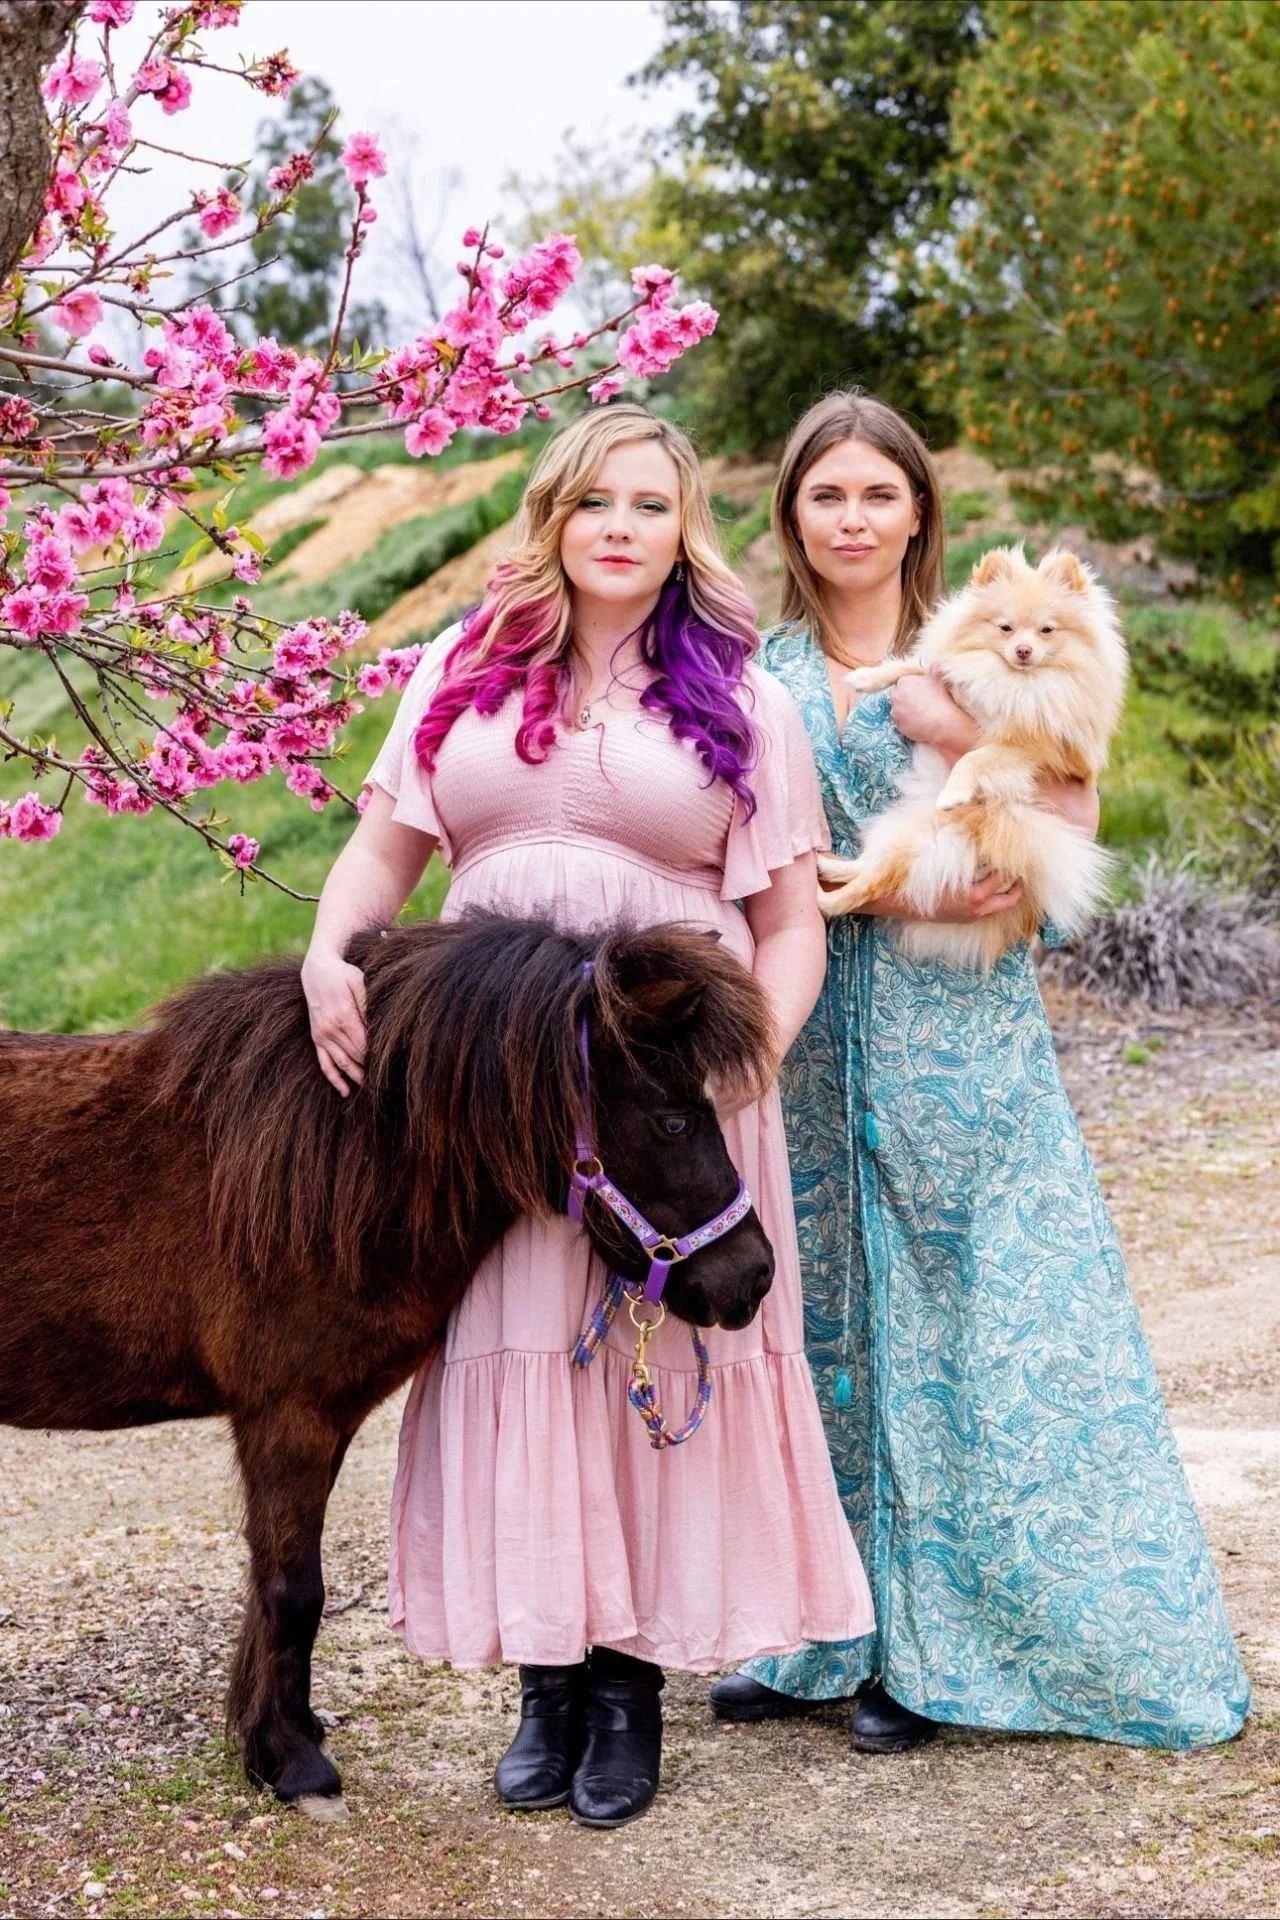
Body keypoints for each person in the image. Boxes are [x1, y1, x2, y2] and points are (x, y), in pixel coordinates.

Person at [300, 404, 874, 1828]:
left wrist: (751, 1057)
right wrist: (329, 951)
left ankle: (626, 1694)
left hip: (668, 1098)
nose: (622, 526)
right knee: (509, 1350)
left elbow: (788, 921)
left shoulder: (746, 699)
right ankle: (544, 1684)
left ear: (686, 533)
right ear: (554, 518)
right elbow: (383, 852)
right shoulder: (460, 670)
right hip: (493, 1107)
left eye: (653, 505)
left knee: (653, 1370)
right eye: (596, 502)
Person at [710, 390, 1250, 1753]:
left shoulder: (980, 654)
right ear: (792, 514)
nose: (852, 518)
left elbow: (1063, 829)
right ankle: (823, 1637)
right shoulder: (754, 668)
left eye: (877, 495)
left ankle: (949, 1650)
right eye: (825, 494)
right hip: (809, 1038)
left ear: (917, 513)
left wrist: (932, 783)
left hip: (961, 1034)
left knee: (972, 1321)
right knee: (822, 1322)